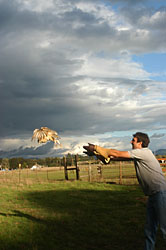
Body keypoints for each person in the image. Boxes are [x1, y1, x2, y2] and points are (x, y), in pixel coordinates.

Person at [83, 132, 166, 250]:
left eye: (133, 140)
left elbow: (116, 153)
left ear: (140, 143)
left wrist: (96, 148)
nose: (131, 142)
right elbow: (115, 157)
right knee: (149, 230)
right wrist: (98, 154)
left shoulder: (144, 152)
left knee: (164, 228)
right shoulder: (138, 154)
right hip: (153, 195)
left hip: (161, 194)